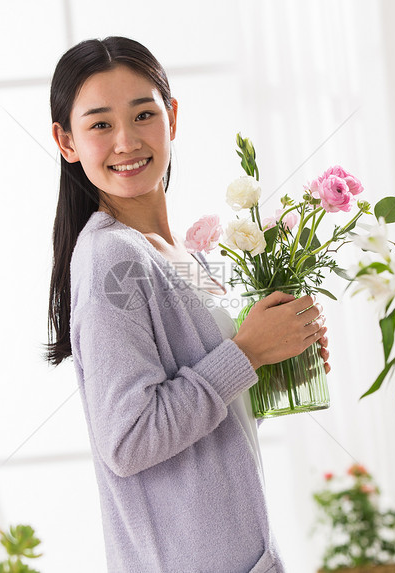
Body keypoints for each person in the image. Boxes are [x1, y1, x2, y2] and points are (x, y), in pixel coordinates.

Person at [45, 36, 330, 573]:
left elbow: (203, 429)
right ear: (67, 141)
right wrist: (245, 355)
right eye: (100, 124)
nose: (126, 141)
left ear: (172, 118)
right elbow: (129, 440)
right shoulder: (111, 256)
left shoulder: (184, 255)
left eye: (144, 114)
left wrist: (275, 366)